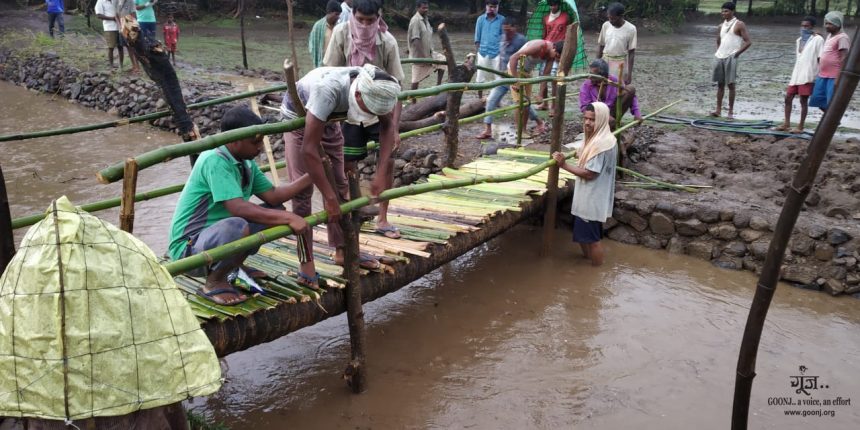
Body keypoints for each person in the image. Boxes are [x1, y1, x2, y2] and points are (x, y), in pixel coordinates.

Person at [167, 106, 312, 306]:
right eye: (255, 142)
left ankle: (233, 266)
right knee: (238, 224)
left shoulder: (246, 164)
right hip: (189, 250)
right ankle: (214, 281)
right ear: (235, 140)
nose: (260, 147)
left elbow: (273, 195)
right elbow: (238, 208)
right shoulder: (214, 160)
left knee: (277, 210)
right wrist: (291, 219)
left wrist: (312, 175)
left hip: (214, 241)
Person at [280, 65, 401, 290]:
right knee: (302, 195)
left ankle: (342, 249)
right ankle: (306, 263)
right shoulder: (329, 89)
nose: (374, 114)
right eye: (370, 110)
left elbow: (387, 128)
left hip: (330, 120)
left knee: (341, 184)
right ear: (357, 95)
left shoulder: (380, 87)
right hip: (299, 118)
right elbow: (309, 149)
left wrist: (381, 172)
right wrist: (328, 196)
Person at [323, 0, 404, 241]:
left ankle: (382, 217)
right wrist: (331, 121)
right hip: (348, 108)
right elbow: (328, 74)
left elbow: (397, 87)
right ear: (353, 16)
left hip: (381, 108)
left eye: (371, 20)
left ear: (379, 17)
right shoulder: (341, 33)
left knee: (387, 161)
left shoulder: (387, 41)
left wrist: (396, 128)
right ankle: (354, 210)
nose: (366, 25)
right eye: (361, 20)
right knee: (348, 163)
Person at [552, 102, 617, 267]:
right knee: (586, 237)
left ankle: (594, 273)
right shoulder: (606, 138)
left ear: (601, 120)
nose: (587, 123)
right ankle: (589, 265)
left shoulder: (599, 144)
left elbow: (590, 173)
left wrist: (564, 165)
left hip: (591, 198)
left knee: (593, 240)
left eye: (592, 119)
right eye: (586, 118)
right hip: (594, 196)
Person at [477, 17, 545, 139]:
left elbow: (525, 61)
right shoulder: (502, 38)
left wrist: (517, 79)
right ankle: (487, 129)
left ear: (514, 28)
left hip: (517, 76)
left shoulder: (521, 41)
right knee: (492, 100)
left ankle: (538, 122)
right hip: (503, 76)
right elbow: (501, 56)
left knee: (523, 103)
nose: (507, 33)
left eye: (509, 30)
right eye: (505, 30)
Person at [776, 16, 824, 133]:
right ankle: (786, 123)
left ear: (812, 27)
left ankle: (800, 126)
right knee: (788, 97)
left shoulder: (818, 40)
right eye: (802, 26)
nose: (803, 28)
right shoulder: (798, 40)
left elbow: (820, 58)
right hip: (796, 73)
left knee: (803, 100)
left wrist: (819, 75)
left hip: (808, 74)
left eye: (806, 26)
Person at [507, 38, 563, 132]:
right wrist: (515, 81)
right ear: (554, 48)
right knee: (520, 102)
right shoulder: (538, 46)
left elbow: (545, 75)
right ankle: (520, 132)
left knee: (526, 103)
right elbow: (513, 58)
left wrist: (540, 94)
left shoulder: (551, 56)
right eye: (557, 56)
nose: (556, 59)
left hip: (527, 72)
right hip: (515, 71)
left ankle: (523, 130)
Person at [711, 1, 751, 119]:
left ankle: (730, 112)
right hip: (720, 57)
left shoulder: (739, 24)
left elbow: (748, 42)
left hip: (731, 56)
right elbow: (718, 40)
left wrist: (737, 54)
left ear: (732, 11)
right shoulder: (720, 26)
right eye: (722, 11)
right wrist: (718, 52)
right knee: (720, 84)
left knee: (731, 85)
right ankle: (718, 110)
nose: (723, 13)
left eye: (726, 11)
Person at [810, 11, 850, 113]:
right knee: (819, 101)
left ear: (838, 24)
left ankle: (832, 122)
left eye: (830, 24)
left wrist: (839, 78)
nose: (826, 26)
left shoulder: (843, 38)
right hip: (822, 75)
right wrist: (819, 36)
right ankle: (830, 121)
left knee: (831, 102)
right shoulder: (829, 36)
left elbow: (844, 58)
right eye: (826, 23)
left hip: (834, 76)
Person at [579, 58, 642, 125]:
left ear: (602, 76)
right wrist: (602, 115)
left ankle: (614, 124)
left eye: (593, 75)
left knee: (630, 89)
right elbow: (585, 107)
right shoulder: (586, 85)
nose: (589, 77)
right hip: (595, 114)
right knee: (608, 121)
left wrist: (637, 113)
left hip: (612, 111)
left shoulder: (614, 81)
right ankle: (611, 126)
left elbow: (632, 97)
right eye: (590, 73)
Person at [536, 0, 569, 110]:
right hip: (547, 49)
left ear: (559, 5)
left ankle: (554, 105)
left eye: (554, 4)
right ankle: (544, 103)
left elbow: (570, 32)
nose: (552, 7)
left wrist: (566, 49)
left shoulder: (566, 17)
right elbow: (544, 34)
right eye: (551, 5)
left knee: (555, 78)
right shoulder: (545, 18)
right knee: (542, 76)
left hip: (558, 50)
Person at [408, 0, 445, 90]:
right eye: (423, 8)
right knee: (415, 81)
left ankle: (438, 86)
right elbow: (415, 40)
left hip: (430, 53)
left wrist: (428, 55)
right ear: (418, 8)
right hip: (419, 56)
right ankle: (412, 100)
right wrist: (423, 57)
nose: (426, 10)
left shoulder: (426, 19)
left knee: (443, 61)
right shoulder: (415, 20)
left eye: (427, 8)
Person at [597, 2, 637, 85]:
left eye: (613, 19)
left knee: (618, 90)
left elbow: (631, 53)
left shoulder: (631, 29)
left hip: (620, 64)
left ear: (621, 16)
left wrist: (629, 74)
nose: (610, 21)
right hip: (605, 62)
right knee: (602, 87)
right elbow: (601, 46)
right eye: (609, 18)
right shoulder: (606, 26)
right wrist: (596, 65)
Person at [474, 0, 504, 98]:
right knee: (480, 76)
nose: (492, 9)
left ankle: (497, 99)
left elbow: (503, 37)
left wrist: (502, 53)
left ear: (498, 7)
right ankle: (480, 98)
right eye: (490, 6)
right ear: (486, 6)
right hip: (483, 52)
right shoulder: (480, 19)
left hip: (497, 52)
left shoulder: (502, 19)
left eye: (495, 7)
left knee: (499, 77)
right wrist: (478, 52)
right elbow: (477, 38)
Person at [309, 0, 341, 68]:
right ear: (329, 12)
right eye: (336, 14)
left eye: (339, 14)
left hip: (336, 64)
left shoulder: (339, 27)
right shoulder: (318, 26)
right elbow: (312, 45)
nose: (338, 17)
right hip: (322, 63)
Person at [95, 0, 123, 68]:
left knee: (120, 46)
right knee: (111, 47)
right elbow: (99, 15)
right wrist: (112, 18)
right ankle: (111, 65)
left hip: (120, 26)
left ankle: (121, 65)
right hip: (109, 27)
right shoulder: (100, 1)